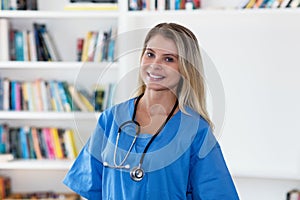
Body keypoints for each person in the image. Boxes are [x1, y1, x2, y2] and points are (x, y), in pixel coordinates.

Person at [63, 22, 239, 199]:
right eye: (150, 54)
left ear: (185, 69)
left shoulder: (195, 131)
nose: (155, 65)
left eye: (169, 59)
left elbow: (218, 194)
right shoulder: (111, 119)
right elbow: (90, 187)